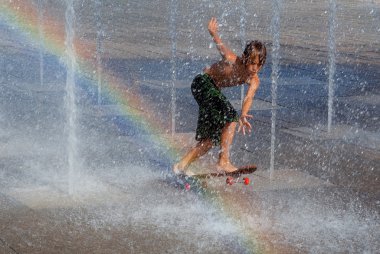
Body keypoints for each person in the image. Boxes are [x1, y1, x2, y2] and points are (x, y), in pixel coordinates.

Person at [173, 17, 267, 176]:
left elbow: (248, 97)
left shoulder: (254, 80)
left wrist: (244, 114)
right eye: (251, 63)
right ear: (244, 58)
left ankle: (180, 166)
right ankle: (223, 162)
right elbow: (221, 47)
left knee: (212, 138)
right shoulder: (232, 60)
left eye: (258, 65)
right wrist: (213, 33)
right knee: (230, 117)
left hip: (211, 91)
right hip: (202, 83)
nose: (254, 68)